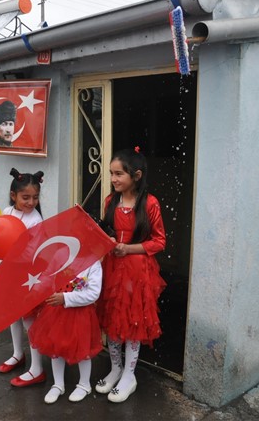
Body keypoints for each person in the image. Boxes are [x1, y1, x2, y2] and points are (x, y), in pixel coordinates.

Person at [94, 147, 166, 403]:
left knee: (133, 323)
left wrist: (129, 248)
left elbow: (159, 242)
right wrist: (108, 239)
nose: (113, 179)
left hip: (137, 271)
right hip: (113, 268)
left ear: (136, 175)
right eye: (111, 173)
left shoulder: (150, 203)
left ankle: (129, 375)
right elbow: (108, 231)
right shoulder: (110, 201)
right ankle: (115, 369)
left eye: (118, 174)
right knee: (113, 320)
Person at [0, 168, 47, 388]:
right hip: (10, 271)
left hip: (29, 275)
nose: (31, 202)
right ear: (13, 195)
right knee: (12, 315)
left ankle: (37, 368)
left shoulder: (36, 219)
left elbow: (33, 251)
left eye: (35, 198)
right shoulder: (7, 211)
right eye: (26, 197)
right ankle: (18, 354)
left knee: (29, 319)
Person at [28, 260, 104, 404]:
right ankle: (58, 384)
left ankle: (84, 384)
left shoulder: (93, 263)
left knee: (82, 349)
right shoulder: (61, 255)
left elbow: (94, 293)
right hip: (57, 311)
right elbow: (47, 277)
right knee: (56, 345)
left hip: (80, 314)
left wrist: (65, 298)